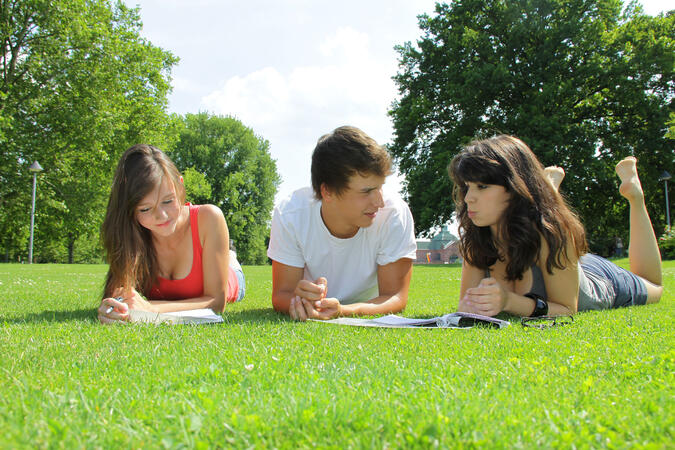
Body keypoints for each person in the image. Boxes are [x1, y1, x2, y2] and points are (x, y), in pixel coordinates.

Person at [448, 135, 662, 317]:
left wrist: (508, 302)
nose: (468, 198)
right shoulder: (477, 238)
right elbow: (466, 308)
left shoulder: (552, 234)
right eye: (467, 187)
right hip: (563, 260)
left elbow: (567, 309)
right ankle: (550, 189)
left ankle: (635, 196)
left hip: (598, 278)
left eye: (482, 186)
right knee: (547, 221)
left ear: (515, 188)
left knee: (655, 287)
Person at [268, 126, 417, 321]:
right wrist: (300, 302)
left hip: (367, 304)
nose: (379, 202)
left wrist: (345, 311)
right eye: (366, 191)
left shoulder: (394, 214)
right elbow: (281, 295)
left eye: (380, 188)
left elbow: (395, 297)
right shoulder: (290, 214)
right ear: (327, 191)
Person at [97, 144, 245, 324]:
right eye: (145, 209)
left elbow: (216, 302)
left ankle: (230, 255)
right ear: (129, 211)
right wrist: (115, 308)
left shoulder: (209, 218)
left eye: (168, 201)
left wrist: (151, 309)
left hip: (231, 276)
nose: (162, 216)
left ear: (180, 187)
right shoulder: (129, 236)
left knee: (229, 265)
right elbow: (119, 297)